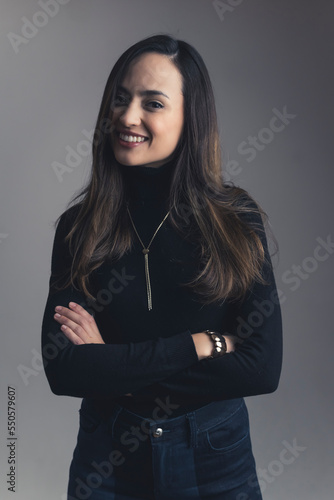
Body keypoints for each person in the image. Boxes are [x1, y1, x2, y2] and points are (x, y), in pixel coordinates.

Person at [41, 34, 283, 500]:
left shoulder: (236, 219)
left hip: (214, 456)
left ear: (190, 119)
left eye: (152, 103)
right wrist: (202, 343)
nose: (127, 117)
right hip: (107, 458)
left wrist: (116, 369)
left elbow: (260, 368)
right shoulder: (80, 227)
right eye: (120, 99)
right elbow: (65, 369)